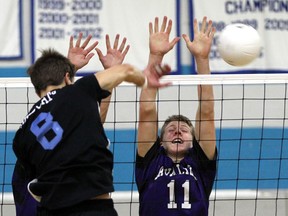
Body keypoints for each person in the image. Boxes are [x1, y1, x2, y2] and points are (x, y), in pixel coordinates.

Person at [12, 32, 171, 216]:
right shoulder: (78, 91)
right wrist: (144, 80)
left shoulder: (22, 135)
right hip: (93, 208)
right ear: (66, 77)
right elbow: (125, 71)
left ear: (36, 85)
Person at [136, 16, 217, 216]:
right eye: (171, 130)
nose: (177, 132)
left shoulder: (200, 163)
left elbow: (206, 112)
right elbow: (146, 112)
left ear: (194, 141)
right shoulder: (151, 161)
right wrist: (155, 56)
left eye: (184, 130)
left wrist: (202, 60)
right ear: (160, 143)